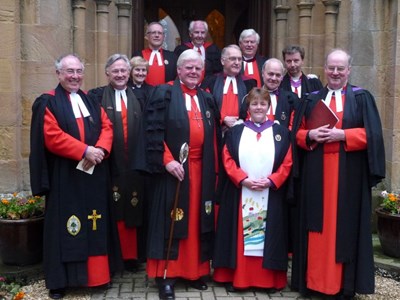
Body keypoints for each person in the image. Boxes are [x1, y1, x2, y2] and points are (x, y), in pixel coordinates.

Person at [291, 49, 385, 299]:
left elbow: (373, 136)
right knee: (316, 228)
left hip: (348, 177)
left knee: (343, 227)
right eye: (331, 67)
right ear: (324, 68)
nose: (335, 73)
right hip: (316, 175)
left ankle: (343, 286)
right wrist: (310, 135)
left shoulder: (362, 97)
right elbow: (296, 135)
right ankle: (314, 282)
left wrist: (343, 135)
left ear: (349, 70)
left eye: (340, 68)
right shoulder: (310, 99)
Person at [29, 54, 121, 299]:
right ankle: (61, 281)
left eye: (79, 71)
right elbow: (52, 136)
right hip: (65, 176)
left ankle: (97, 276)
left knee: (95, 222)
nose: (75, 76)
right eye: (69, 71)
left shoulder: (91, 100)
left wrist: (100, 149)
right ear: (58, 74)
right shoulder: (47, 102)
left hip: (93, 175)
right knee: (64, 226)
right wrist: (84, 150)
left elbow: (107, 127)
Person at [137, 49, 220, 300]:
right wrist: (167, 161)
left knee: (196, 220)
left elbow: (213, 137)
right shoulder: (163, 93)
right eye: (189, 68)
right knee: (171, 220)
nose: (194, 72)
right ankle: (166, 276)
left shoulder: (206, 98)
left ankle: (194, 272)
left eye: (198, 68)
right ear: (179, 70)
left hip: (200, 170)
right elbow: (151, 132)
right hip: (173, 170)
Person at [213, 87, 292, 292]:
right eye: (254, 104)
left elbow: (288, 162)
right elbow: (227, 158)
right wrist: (242, 179)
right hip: (241, 192)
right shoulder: (236, 131)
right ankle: (239, 278)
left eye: (262, 103)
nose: (258, 107)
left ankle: (266, 281)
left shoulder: (280, 132)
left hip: (270, 193)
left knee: (269, 236)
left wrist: (272, 181)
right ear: (248, 107)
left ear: (269, 106)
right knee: (238, 237)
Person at [88, 54, 145, 273]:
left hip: (134, 164)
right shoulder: (96, 97)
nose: (120, 75)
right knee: (112, 206)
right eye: (116, 71)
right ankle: (113, 255)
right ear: (107, 73)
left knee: (132, 206)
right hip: (109, 164)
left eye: (124, 71)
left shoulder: (140, 96)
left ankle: (130, 256)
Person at [201, 44, 256, 133]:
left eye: (239, 59)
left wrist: (241, 122)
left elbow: (254, 107)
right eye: (233, 59)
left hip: (242, 130)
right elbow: (205, 106)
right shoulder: (210, 82)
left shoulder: (249, 84)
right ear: (222, 61)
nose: (237, 62)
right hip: (216, 131)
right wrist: (223, 118)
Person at [133, 22, 177, 86]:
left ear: (163, 37)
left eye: (160, 33)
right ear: (147, 36)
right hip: (142, 95)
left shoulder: (172, 57)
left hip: (166, 94)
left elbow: (177, 79)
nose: (157, 35)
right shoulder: (138, 55)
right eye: (153, 32)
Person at [260, 58, 299, 129]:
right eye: (270, 74)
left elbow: (294, 128)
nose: (274, 78)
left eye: (278, 75)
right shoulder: (251, 97)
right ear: (263, 73)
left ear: (282, 77)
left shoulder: (291, 99)